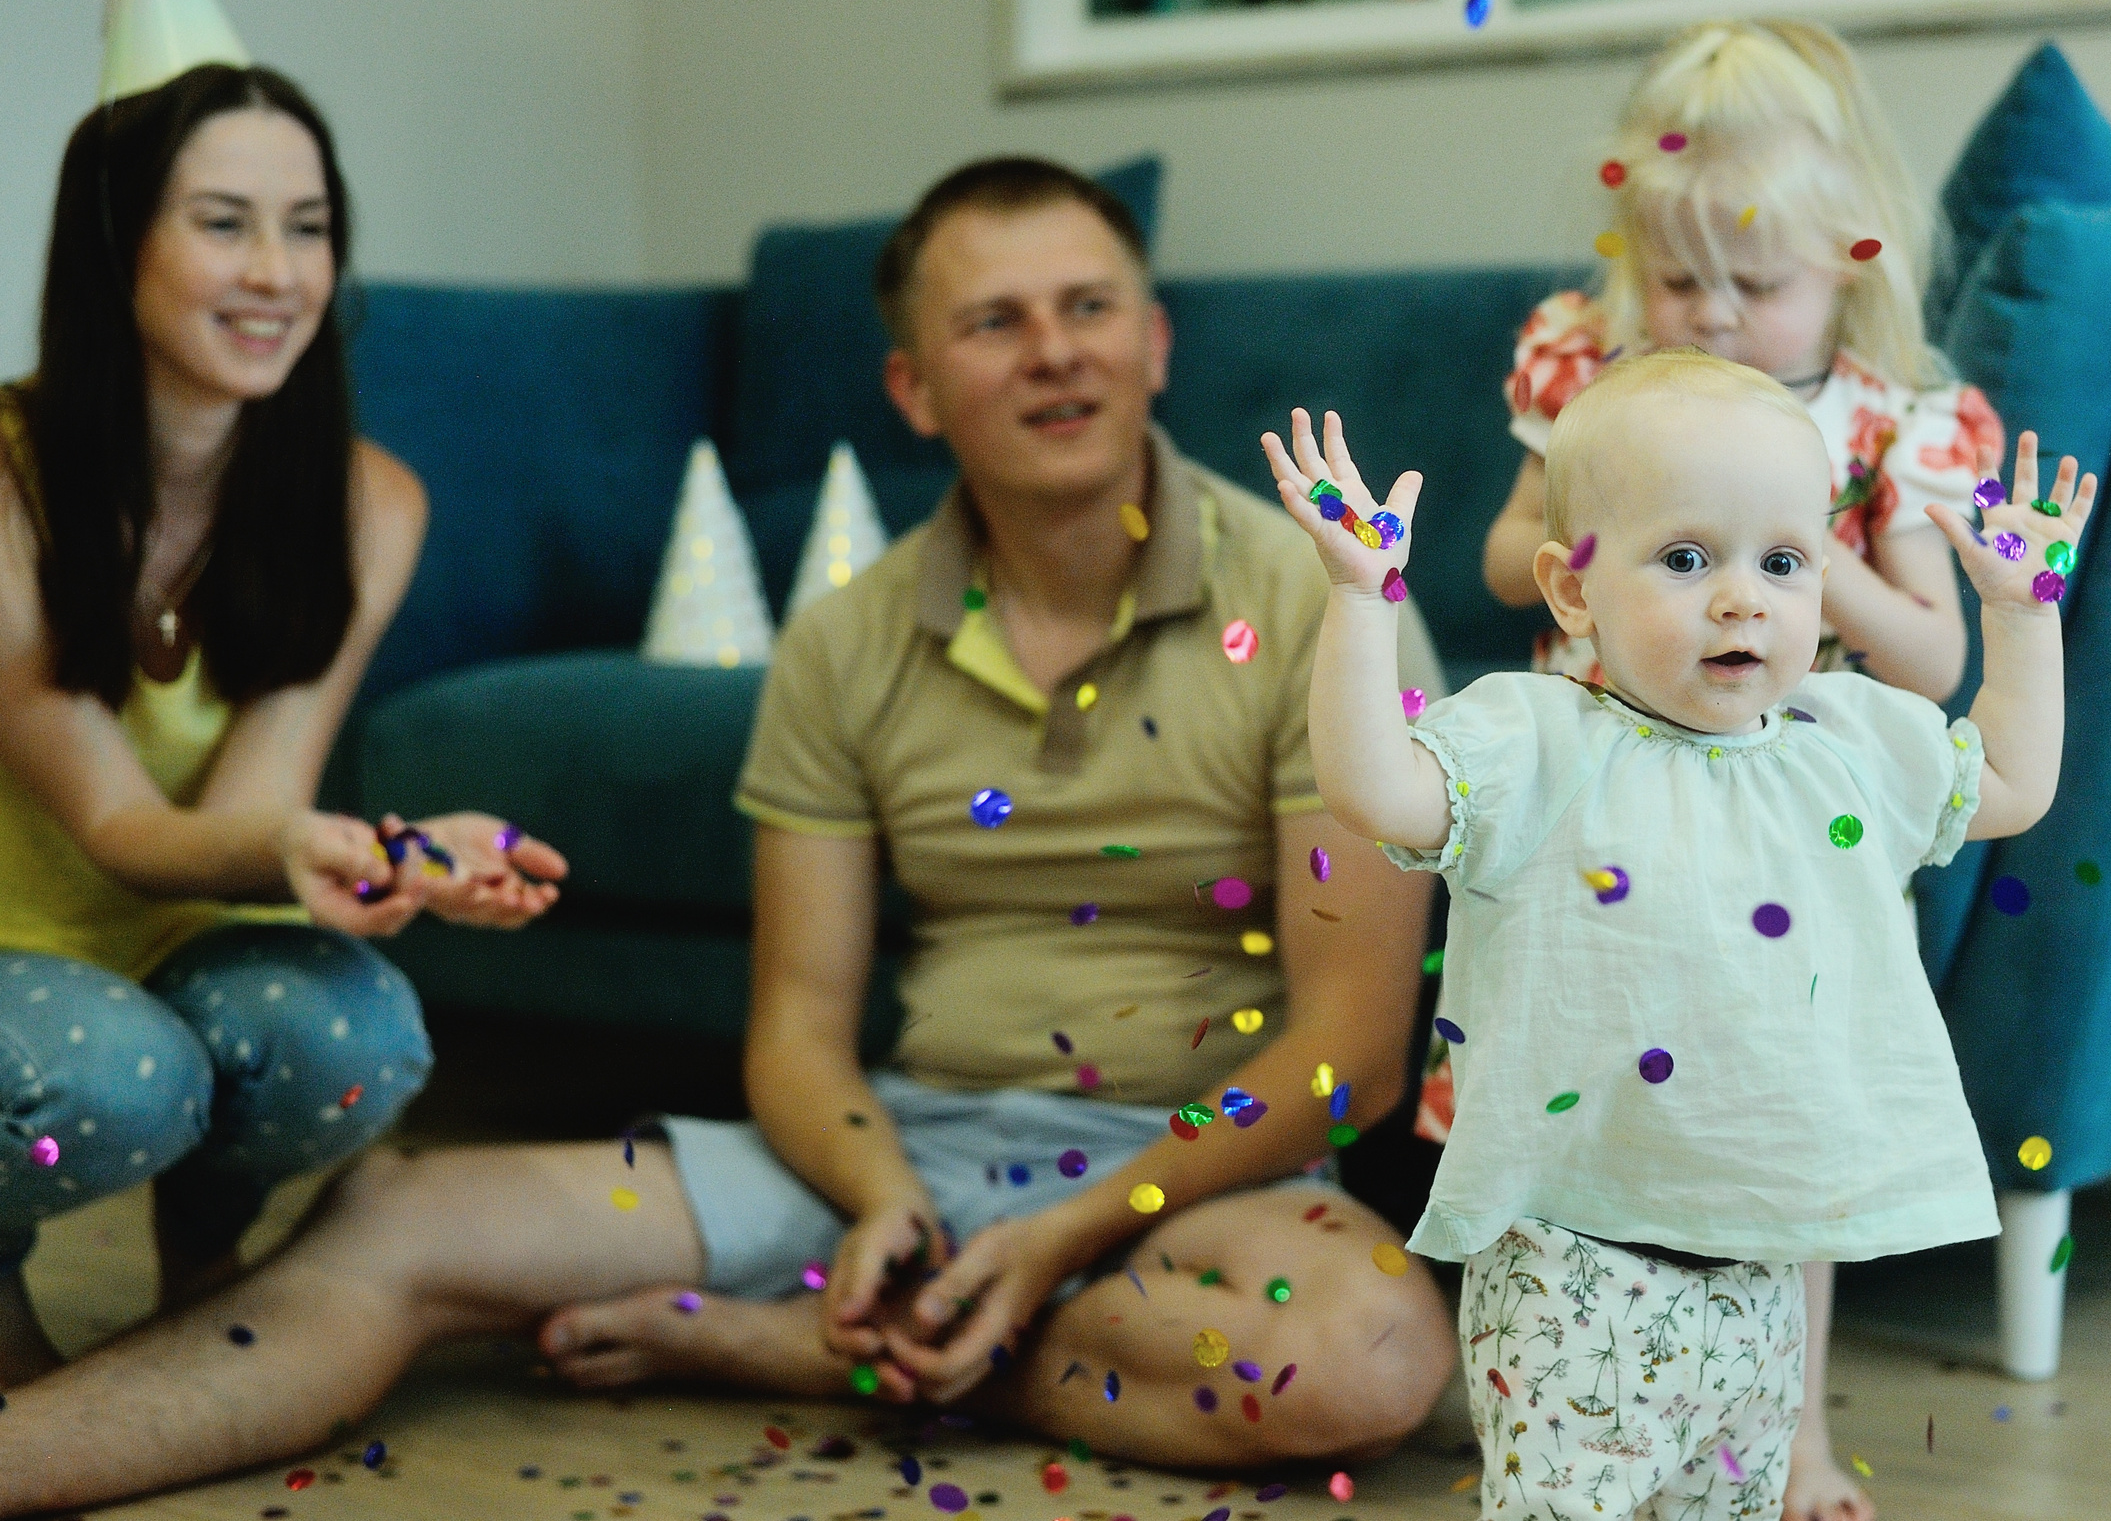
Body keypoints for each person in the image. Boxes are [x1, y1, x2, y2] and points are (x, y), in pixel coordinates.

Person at [0, 156, 1457, 1518]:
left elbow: (1353, 1052)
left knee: (1373, 1355)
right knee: (393, 1221)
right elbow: (798, 1029)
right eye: (995, 322)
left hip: (1196, 1172)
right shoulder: (842, 639)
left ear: (1157, 343)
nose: (1056, 351)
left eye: (1090, 309)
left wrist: (1070, 1230)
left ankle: (814, 1346)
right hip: (900, 1144)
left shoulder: (1335, 609)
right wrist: (883, 1189)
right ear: (914, 386)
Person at [1260, 355, 2092, 1521]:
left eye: (1784, 562)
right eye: (1688, 558)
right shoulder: (1532, 744)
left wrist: (2019, 615)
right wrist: (1360, 604)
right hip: (1572, 1264)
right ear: (1571, 588)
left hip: (1761, 1274)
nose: (1743, 597)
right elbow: (1370, 787)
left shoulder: (1845, 740)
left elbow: (2010, 779)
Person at [1471, 17, 2002, 1521]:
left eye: (1752, 285)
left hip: (1787, 839)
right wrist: (1608, 537)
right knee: (1580, 1101)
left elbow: (1932, 658)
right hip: (1600, 811)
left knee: (1780, 1123)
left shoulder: (1890, 421)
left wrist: (1794, 543)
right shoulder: (1596, 375)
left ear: (1851, 255)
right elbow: (1510, 548)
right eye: (1677, 276)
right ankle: (1558, 1397)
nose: (1706, 313)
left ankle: (1792, 1427)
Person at [0, 35, 568, 1392]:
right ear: (114, 245)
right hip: (21, 957)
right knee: (119, 1072)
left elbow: (246, 817)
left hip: (184, 931)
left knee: (353, 1037)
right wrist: (308, 845)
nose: (278, 273)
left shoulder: (370, 502)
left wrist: (396, 850)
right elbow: (119, 824)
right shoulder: (8, 487)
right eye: (224, 224)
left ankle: (204, 1251)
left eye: (309, 229)